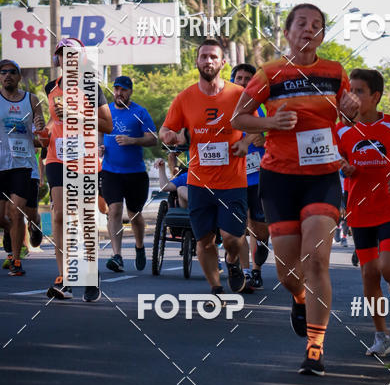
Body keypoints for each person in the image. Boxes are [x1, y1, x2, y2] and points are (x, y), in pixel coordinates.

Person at [232, 3, 360, 376]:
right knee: (289, 273)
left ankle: (315, 348)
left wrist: (350, 108)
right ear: (287, 32)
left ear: (322, 34)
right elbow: (238, 117)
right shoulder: (270, 73)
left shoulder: (335, 73)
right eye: (301, 24)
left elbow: (348, 115)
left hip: (321, 177)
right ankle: (300, 298)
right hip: (280, 178)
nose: (309, 30)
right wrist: (271, 121)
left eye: (317, 25)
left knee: (317, 260)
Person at [336, 68, 390, 355]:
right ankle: (381, 336)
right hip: (358, 211)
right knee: (369, 273)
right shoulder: (342, 130)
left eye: (359, 91)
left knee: (388, 267)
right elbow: (336, 158)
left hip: (389, 207)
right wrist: (343, 167)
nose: (353, 97)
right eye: (350, 91)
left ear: (375, 96)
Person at [159, 39, 248, 295]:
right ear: (197, 62)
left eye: (213, 57)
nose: (208, 61)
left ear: (223, 62)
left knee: (232, 239)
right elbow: (166, 129)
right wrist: (168, 136)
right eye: (203, 57)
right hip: (198, 183)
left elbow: (258, 128)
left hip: (233, 182)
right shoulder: (185, 98)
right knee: (205, 242)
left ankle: (232, 261)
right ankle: (216, 288)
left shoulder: (238, 95)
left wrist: (247, 143)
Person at [43, 38, 113, 301]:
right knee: (60, 216)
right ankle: (65, 279)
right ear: (57, 59)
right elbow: (54, 120)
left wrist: (77, 114)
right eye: (62, 54)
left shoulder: (91, 87)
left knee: (84, 220)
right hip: (57, 157)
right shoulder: (51, 87)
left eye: (72, 54)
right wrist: (44, 132)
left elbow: (108, 126)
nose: (66, 59)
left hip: (84, 160)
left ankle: (90, 274)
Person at [0, 59, 45, 275]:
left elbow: (40, 136)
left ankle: (16, 259)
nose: (7, 75)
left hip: (22, 164)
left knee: (16, 210)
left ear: (19, 76)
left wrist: (40, 129)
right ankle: (15, 229)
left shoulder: (31, 100)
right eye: (3, 72)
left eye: (12, 72)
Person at [100, 76, 156, 272]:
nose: (119, 93)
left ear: (130, 92)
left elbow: (153, 138)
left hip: (135, 173)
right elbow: (97, 132)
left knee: (134, 214)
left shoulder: (140, 112)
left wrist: (133, 140)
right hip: (110, 171)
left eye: (123, 90)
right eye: (116, 89)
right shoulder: (106, 110)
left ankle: (140, 247)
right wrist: (99, 146)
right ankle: (117, 256)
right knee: (114, 210)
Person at [230, 63, 270, 291]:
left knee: (259, 227)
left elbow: (275, 132)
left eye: (248, 78)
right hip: (233, 177)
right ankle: (248, 272)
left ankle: (259, 258)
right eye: (239, 78)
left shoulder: (262, 106)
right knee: (239, 225)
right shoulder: (224, 105)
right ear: (233, 80)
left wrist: (264, 138)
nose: (243, 82)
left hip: (259, 176)